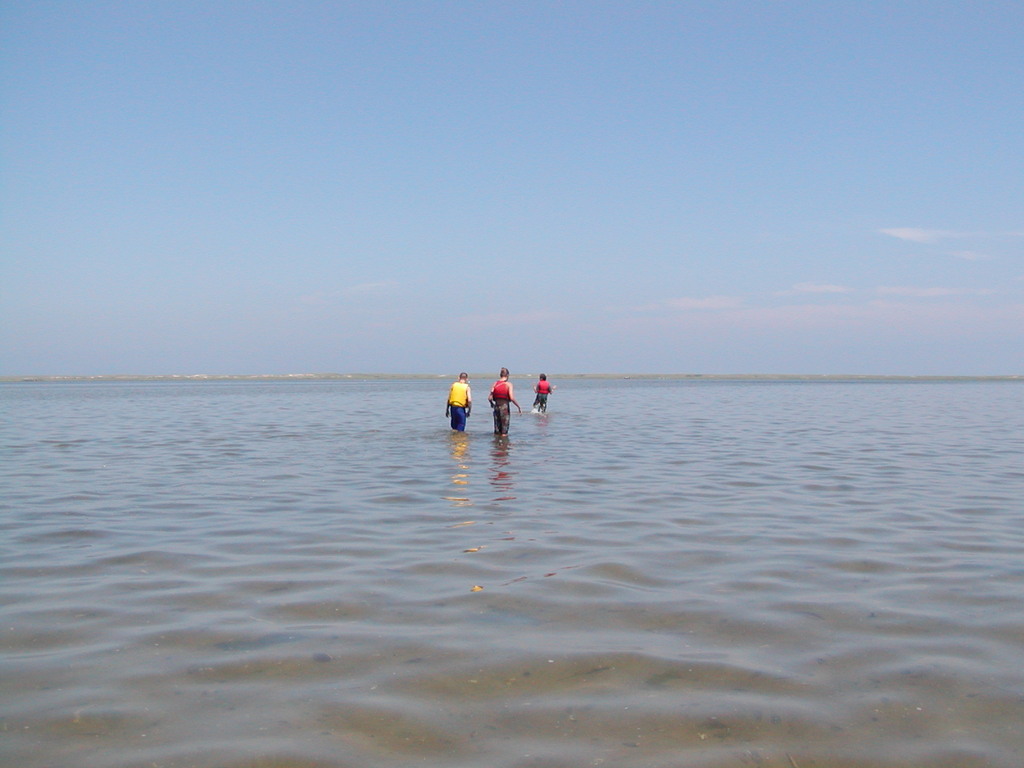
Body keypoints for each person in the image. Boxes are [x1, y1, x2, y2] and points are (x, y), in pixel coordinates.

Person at [488, 367, 521, 436]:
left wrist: (491, 404)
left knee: (497, 428)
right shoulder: (508, 384)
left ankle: (497, 444)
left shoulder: (495, 384)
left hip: (496, 406)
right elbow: (511, 398)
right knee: (504, 429)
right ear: (507, 375)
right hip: (504, 406)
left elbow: (490, 398)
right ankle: (504, 444)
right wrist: (518, 406)